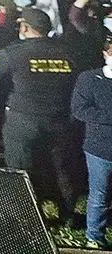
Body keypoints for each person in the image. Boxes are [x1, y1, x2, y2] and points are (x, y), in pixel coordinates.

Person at [0, 7, 81, 225]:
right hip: (59, 119)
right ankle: (68, 213)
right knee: (62, 168)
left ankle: (30, 215)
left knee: (20, 168)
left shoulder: (13, 53)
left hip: (22, 122)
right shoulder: (68, 52)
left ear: (25, 27)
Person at [71, 33, 112, 250]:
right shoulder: (89, 79)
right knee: (100, 194)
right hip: (100, 149)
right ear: (105, 53)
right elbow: (79, 109)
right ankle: (95, 237)